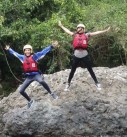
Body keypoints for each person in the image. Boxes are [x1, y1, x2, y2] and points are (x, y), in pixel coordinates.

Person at [58, 21, 110, 91]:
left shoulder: (87, 35)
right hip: (76, 55)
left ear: (83, 29)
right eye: (78, 28)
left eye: (81, 28)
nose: (79, 29)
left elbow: (96, 32)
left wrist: (105, 30)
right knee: (72, 70)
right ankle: (68, 83)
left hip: (84, 54)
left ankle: (96, 82)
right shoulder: (74, 34)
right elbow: (67, 31)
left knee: (90, 70)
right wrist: (61, 26)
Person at [5, 41, 59, 108]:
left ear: (31, 51)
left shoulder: (35, 56)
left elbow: (43, 52)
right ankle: (30, 101)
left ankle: (51, 93)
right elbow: (15, 53)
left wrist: (51, 46)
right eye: (26, 50)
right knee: (21, 91)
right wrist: (9, 49)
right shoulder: (22, 57)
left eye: (28, 50)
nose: (27, 51)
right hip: (29, 77)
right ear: (24, 51)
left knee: (41, 81)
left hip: (36, 75)